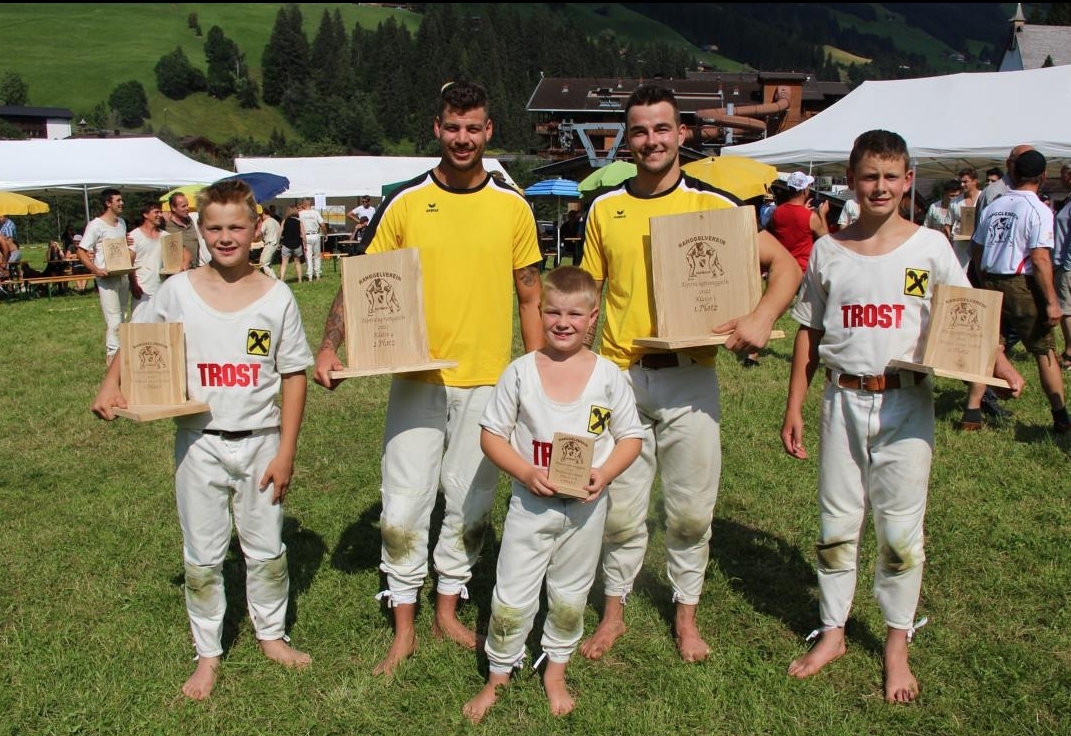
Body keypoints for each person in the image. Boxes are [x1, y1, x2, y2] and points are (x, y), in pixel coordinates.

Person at [780, 129, 1025, 704]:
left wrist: (1001, 366)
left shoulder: (931, 248)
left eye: (891, 176)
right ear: (852, 179)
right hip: (843, 400)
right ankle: (834, 631)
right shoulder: (828, 250)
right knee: (837, 521)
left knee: (899, 530)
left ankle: (896, 644)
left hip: (907, 401)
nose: (880, 187)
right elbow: (809, 336)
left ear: (908, 180)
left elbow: (967, 317)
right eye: (870, 176)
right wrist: (794, 404)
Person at [313, 80, 544, 677]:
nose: (463, 138)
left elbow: (529, 295)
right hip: (416, 375)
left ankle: (449, 608)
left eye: (474, 128)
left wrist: (539, 374)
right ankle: (404, 624)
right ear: (436, 129)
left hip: (488, 379)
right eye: (452, 127)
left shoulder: (513, 205)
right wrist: (330, 344)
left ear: (489, 131)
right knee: (404, 503)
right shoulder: (408, 202)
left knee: (470, 502)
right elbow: (362, 280)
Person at [578, 83, 802, 663]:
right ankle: (614, 613)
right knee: (620, 506)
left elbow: (786, 267)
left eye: (661, 128)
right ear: (627, 140)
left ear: (682, 134)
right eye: (639, 130)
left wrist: (759, 316)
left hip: (690, 380)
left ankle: (686, 616)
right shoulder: (606, 209)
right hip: (621, 378)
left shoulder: (715, 206)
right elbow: (589, 297)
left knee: (691, 508)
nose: (650, 140)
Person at [90, 179, 314, 701]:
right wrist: (110, 384)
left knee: (265, 549)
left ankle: (271, 635)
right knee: (204, 554)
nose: (226, 237)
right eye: (214, 227)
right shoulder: (178, 290)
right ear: (199, 228)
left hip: (260, 441)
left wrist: (286, 451)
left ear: (257, 228)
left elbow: (295, 374)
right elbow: (138, 337)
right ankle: (208, 652)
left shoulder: (277, 297)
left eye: (237, 226)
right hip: (198, 443)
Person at [462, 266, 643, 724]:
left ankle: (555, 668)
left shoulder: (607, 376)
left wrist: (603, 474)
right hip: (531, 504)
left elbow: (630, 439)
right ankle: (499, 674)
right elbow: (492, 436)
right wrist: (525, 470)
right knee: (512, 591)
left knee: (570, 590)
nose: (564, 322)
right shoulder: (520, 373)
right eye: (553, 312)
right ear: (539, 313)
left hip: (585, 510)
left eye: (575, 314)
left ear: (593, 317)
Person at [970, 149, 1070, 434]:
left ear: (1013, 172)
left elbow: (977, 249)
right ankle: (1060, 416)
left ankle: (972, 410)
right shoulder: (1038, 209)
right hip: (1021, 283)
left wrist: (982, 277)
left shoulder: (993, 205)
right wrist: (1052, 302)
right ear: (1043, 176)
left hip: (990, 277)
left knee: (991, 347)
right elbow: (1039, 259)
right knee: (1045, 351)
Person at [77, 188, 134, 365]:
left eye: (122, 200)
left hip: (122, 275)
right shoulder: (95, 225)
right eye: (118, 200)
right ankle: (112, 355)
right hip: (106, 278)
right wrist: (95, 270)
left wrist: (126, 243)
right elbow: (81, 251)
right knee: (114, 318)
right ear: (108, 203)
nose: (121, 203)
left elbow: (119, 249)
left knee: (123, 314)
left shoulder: (122, 223)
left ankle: (122, 351)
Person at [769, 171, 829, 274]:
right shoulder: (811, 217)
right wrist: (822, 214)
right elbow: (827, 240)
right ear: (805, 191)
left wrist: (803, 210)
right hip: (802, 270)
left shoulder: (776, 212)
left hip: (783, 268)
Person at [129, 202, 166, 321]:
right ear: (145, 214)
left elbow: (184, 251)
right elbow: (129, 262)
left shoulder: (165, 236)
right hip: (142, 289)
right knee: (139, 325)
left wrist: (183, 264)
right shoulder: (134, 236)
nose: (160, 215)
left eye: (160, 212)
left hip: (161, 288)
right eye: (156, 212)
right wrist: (134, 285)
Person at [949, 167, 982, 276]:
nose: (962, 185)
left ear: (975, 181)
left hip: (979, 248)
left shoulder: (984, 198)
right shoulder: (955, 202)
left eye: (965, 182)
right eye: (961, 182)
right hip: (960, 248)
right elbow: (947, 225)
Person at [1054, 161, 1071, 370]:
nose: (1060, 178)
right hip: (1062, 262)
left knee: (1066, 309)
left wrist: (1066, 265)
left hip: (1067, 264)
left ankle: (1069, 353)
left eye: (1063, 174)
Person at [164, 192, 202, 270]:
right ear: (173, 208)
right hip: (178, 270)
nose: (187, 208)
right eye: (183, 206)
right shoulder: (166, 225)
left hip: (195, 268)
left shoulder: (191, 219)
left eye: (187, 205)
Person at [298, 198, 325, 281]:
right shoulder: (316, 213)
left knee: (308, 256)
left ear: (303, 204)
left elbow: (299, 225)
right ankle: (318, 274)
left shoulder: (300, 214)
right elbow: (322, 224)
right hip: (315, 234)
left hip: (306, 235)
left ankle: (309, 276)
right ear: (310, 204)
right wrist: (325, 233)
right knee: (317, 256)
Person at [278, 204, 304, 283]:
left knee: (284, 263)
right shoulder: (299, 221)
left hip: (286, 244)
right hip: (297, 244)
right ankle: (300, 280)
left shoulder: (284, 221)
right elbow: (303, 234)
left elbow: (280, 232)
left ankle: (282, 279)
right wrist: (305, 244)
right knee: (297, 263)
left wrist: (278, 242)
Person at [256, 207, 281, 279]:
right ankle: (267, 280)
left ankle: (274, 280)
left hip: (269, 244)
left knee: (264, 264)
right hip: (275, 244)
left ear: (263, 214)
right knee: (267, 264)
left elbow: (258, 234)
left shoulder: (266, 222)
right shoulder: (275, 221)